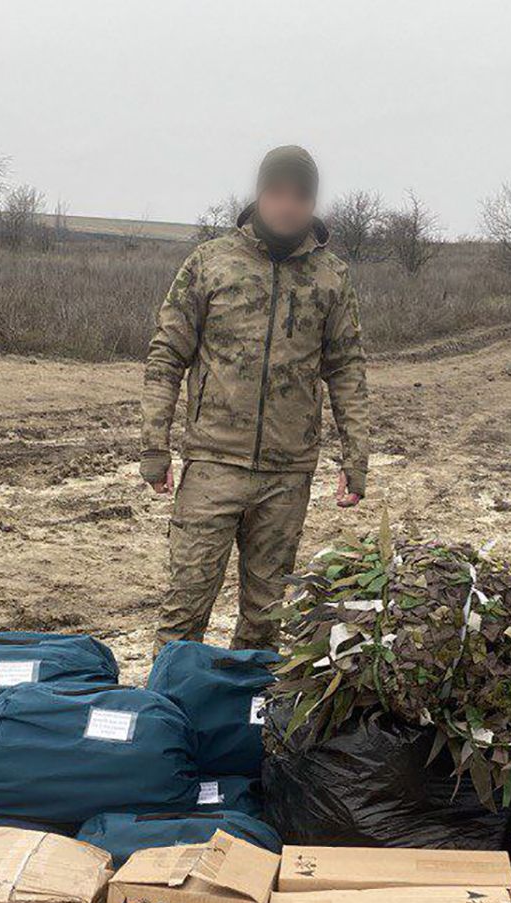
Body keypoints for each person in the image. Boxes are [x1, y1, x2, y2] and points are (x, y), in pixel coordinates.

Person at [141, 144, 369, 650]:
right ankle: (170, 700)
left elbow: (347, 370)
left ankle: (247, 703)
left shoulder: (331, 277)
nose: (288, 205)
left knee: (265, 621)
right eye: (277, 192)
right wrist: (154, 445)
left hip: (287, 475)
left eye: (300, 196)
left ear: (313, 202)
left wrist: (356, 460)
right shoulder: (211, 263)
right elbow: (166, 355)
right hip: (213, 464)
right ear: (260, 193)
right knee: (184, 612)